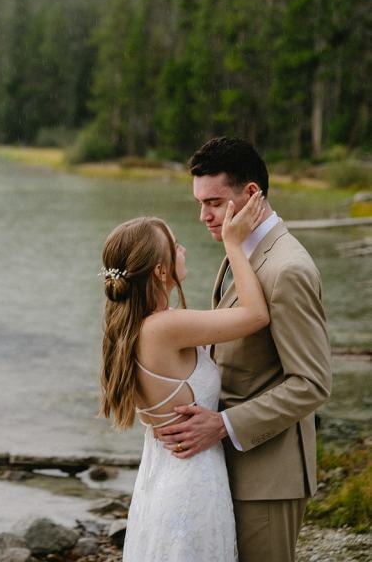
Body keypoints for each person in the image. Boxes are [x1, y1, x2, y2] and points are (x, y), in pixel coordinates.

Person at [156, 137, 332, 562]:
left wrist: (223, 425)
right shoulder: (242, 246)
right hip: (229, 468)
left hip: (269, 478)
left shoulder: (287, 268)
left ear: (251, 194)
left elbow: (312, 383)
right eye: (200, 203)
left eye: (214, 202)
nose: (204, 216)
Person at [100, 190, 267, 561]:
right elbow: (256, 315)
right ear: (161, 271)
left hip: (163, 475)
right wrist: (234, 244)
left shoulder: (138, 326)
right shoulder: (165, 327)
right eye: (175, 246)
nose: (183, 250)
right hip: (190, 482)